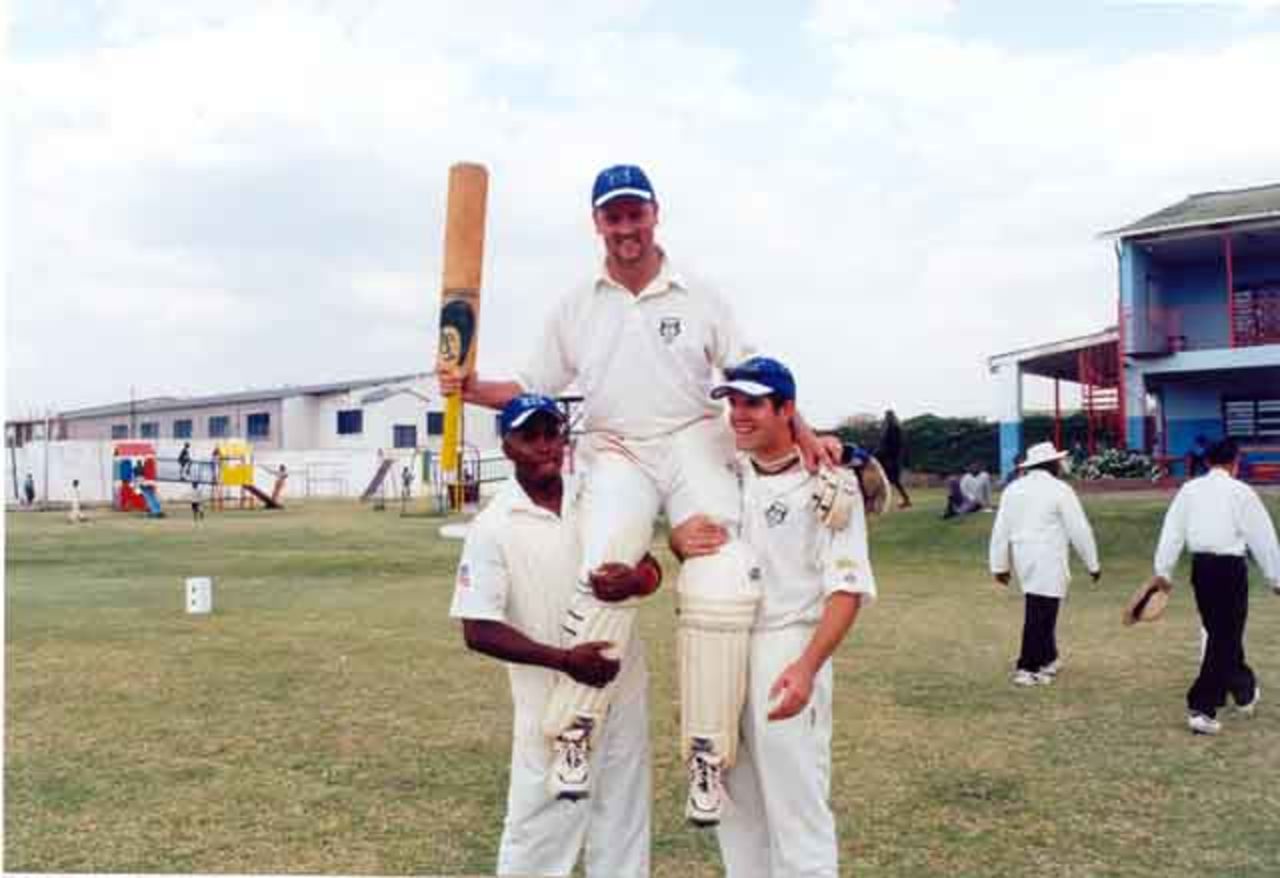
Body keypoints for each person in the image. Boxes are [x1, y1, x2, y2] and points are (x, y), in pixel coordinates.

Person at [440, 164, 838, 819]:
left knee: (722, 573)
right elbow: (531, 384)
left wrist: (808, 431)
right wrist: (467, 386)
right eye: (613, 216)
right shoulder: (576, 305)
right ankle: (575, 730)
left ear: (655, 214)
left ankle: (707, 756)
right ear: (597, 223)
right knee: (606, 573)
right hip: (616, 447)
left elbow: (750, 375)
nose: (626, 228)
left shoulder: (700, 295)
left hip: (691, 441)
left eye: (636, 214)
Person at [670, 356, 876, 876]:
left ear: (788, 411)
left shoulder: (830, 483)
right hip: (723, 646)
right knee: (733, 802)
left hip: (787, 642)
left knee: (796, 802)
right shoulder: (725, 472)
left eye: (753, 404)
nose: (738, 414)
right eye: (733, 403)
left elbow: (846, 590)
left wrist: (807, 667)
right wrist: (677, 541)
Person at [449, 394, 661, 877]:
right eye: (531, 436)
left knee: (624, 827)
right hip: (553, 705)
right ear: (508, 446)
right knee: (538, 838)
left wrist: (637, 581)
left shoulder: (596, 496)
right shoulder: (493, 526)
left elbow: (650, 566)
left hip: (622, 691)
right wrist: (565, 660)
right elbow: (477, 629)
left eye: (553, 433)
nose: (546, 446)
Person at [1152, 438, 1280, 735]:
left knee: (1221, 633)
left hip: (1202, 570)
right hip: (1230, 569)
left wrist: (1164, 571)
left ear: (1207, 462)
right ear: (1235, 462)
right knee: (1226, 634)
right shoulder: (1241, 492)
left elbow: (1172, 531)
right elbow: (1262, 536)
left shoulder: (1190, 490)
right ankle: (1202, 705)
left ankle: (1244, 690)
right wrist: (1275, 577)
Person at [989, 441, 1101, 686]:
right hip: (1049, 557)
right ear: (1051, 464)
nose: (1061, 465)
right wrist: (1093, 563)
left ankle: (1049, 658)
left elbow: (1001, 530)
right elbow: (1079, 529)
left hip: (1023, 557)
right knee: (1041, 612)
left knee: (1041, 606)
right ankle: (1027, 666)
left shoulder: (1013, 489)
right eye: (1058, 462)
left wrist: (999, 565)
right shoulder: (1060, 490)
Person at [874, 410, 910, 509]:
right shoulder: (895, 428)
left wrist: (880, 454)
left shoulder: (892, 429)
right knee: (893, 481)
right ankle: (905, 500)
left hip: (890, 459)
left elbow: (891, 446)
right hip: (892, 459)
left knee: (888, 480)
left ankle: (882, 501)